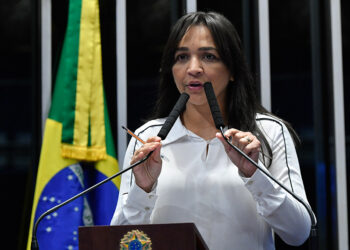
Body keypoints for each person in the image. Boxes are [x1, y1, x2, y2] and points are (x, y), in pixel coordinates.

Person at [111, 11, 313, 250]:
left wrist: (254, 176)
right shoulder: (146, 138)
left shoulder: (268, 131)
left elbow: (299, 233)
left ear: (233, 70)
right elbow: (120, 243)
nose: (193, 68)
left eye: (208, 56)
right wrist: (142, 189)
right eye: (182, 57)